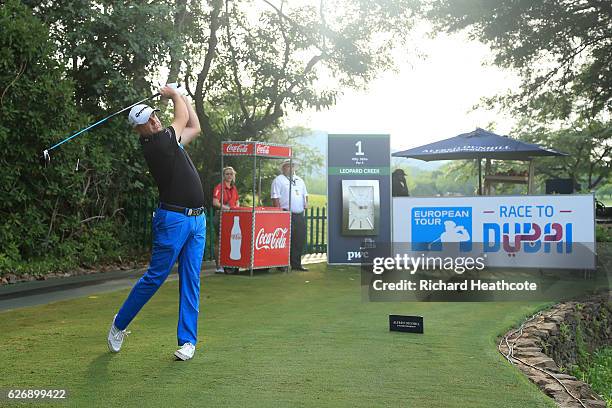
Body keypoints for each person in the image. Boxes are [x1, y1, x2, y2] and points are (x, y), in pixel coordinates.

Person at [107, 85, 205, 361]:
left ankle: (187, 341)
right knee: (155, 277)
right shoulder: (158, 143)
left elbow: (194, 126)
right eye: (147, 121)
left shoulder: (168, 141)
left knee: (191, 281)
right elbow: (182, 119)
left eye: (154, 116)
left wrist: (181, 95)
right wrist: (174, 95)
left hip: (198, 220)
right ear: (139, 129)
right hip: (173, 220)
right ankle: (119, 324)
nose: (154, 120)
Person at [271, 160, 308, 271]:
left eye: (292, 166)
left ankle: (296, 264)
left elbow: (305, 194)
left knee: (299, 239)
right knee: (285, 240)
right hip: (285, 213)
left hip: (299, 214)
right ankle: (281, 264)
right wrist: (279, 212)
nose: (290, 168)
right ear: (283, 168)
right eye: (287, 166)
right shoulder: (278, 180)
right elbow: (275, 197)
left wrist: (306, 203)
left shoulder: (300, 180)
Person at [212, 166, 239, 274]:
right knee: (219, 240)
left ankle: (228, 263)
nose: (229, 176)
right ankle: (218, 266)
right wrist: (228, 208)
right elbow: (215, 202)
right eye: (227, 174)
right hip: (220, 216)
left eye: (231, 174)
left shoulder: (234, 188)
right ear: (224, 175)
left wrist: (236, 208)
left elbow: (237, 201)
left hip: (232, 217)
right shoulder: (219, 187)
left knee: (230, 240)